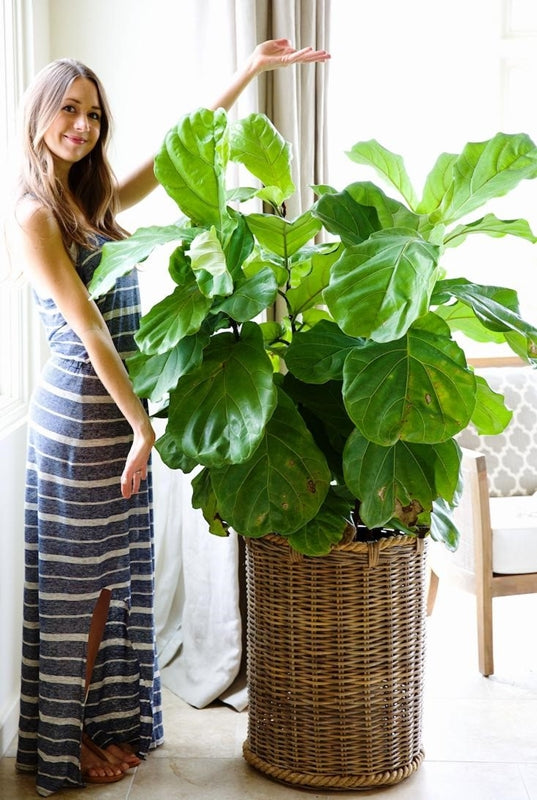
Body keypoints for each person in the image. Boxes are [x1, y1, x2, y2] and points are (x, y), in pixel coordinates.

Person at [6, 38, 330, 797]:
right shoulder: (33, 216)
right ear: (39, 116)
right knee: (75, 593)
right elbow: (89, 330)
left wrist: (247, 71)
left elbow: (171, 152)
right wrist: (143, 427)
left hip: (114, 415)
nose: (82, 126)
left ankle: (94, 722)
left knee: (111, 585)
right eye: (69, 110)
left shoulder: (85, 201)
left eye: (92, 115)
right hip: (80, 420)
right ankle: (68, 741)